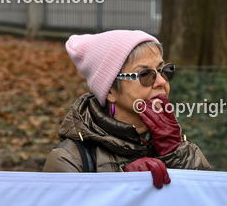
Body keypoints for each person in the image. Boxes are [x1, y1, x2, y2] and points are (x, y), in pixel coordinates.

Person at [44, 30, 210, 187]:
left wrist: (176, 153)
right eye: (145, 74)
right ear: (110, 90)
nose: (161, 82)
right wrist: (122, 184)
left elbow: (209, 197)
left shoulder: (180, 145)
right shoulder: (70, 158)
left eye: (163, 70)